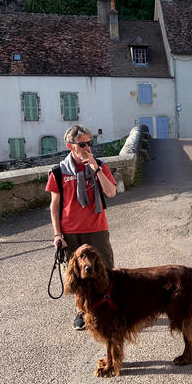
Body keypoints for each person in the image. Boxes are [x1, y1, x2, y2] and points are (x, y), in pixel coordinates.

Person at [46, 125, 118, 330]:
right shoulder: (58, 172)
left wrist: (96, 168)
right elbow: (55, 205)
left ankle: (108, 307)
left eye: (90, 143)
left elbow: (111, 193)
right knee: (76, 275)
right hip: (70, 231)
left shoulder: (100, 166)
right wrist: (57, 234)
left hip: (96, 228)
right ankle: (82, 310)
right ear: (70, 146)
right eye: (82, 144)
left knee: (104, 269)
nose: (87, 147)